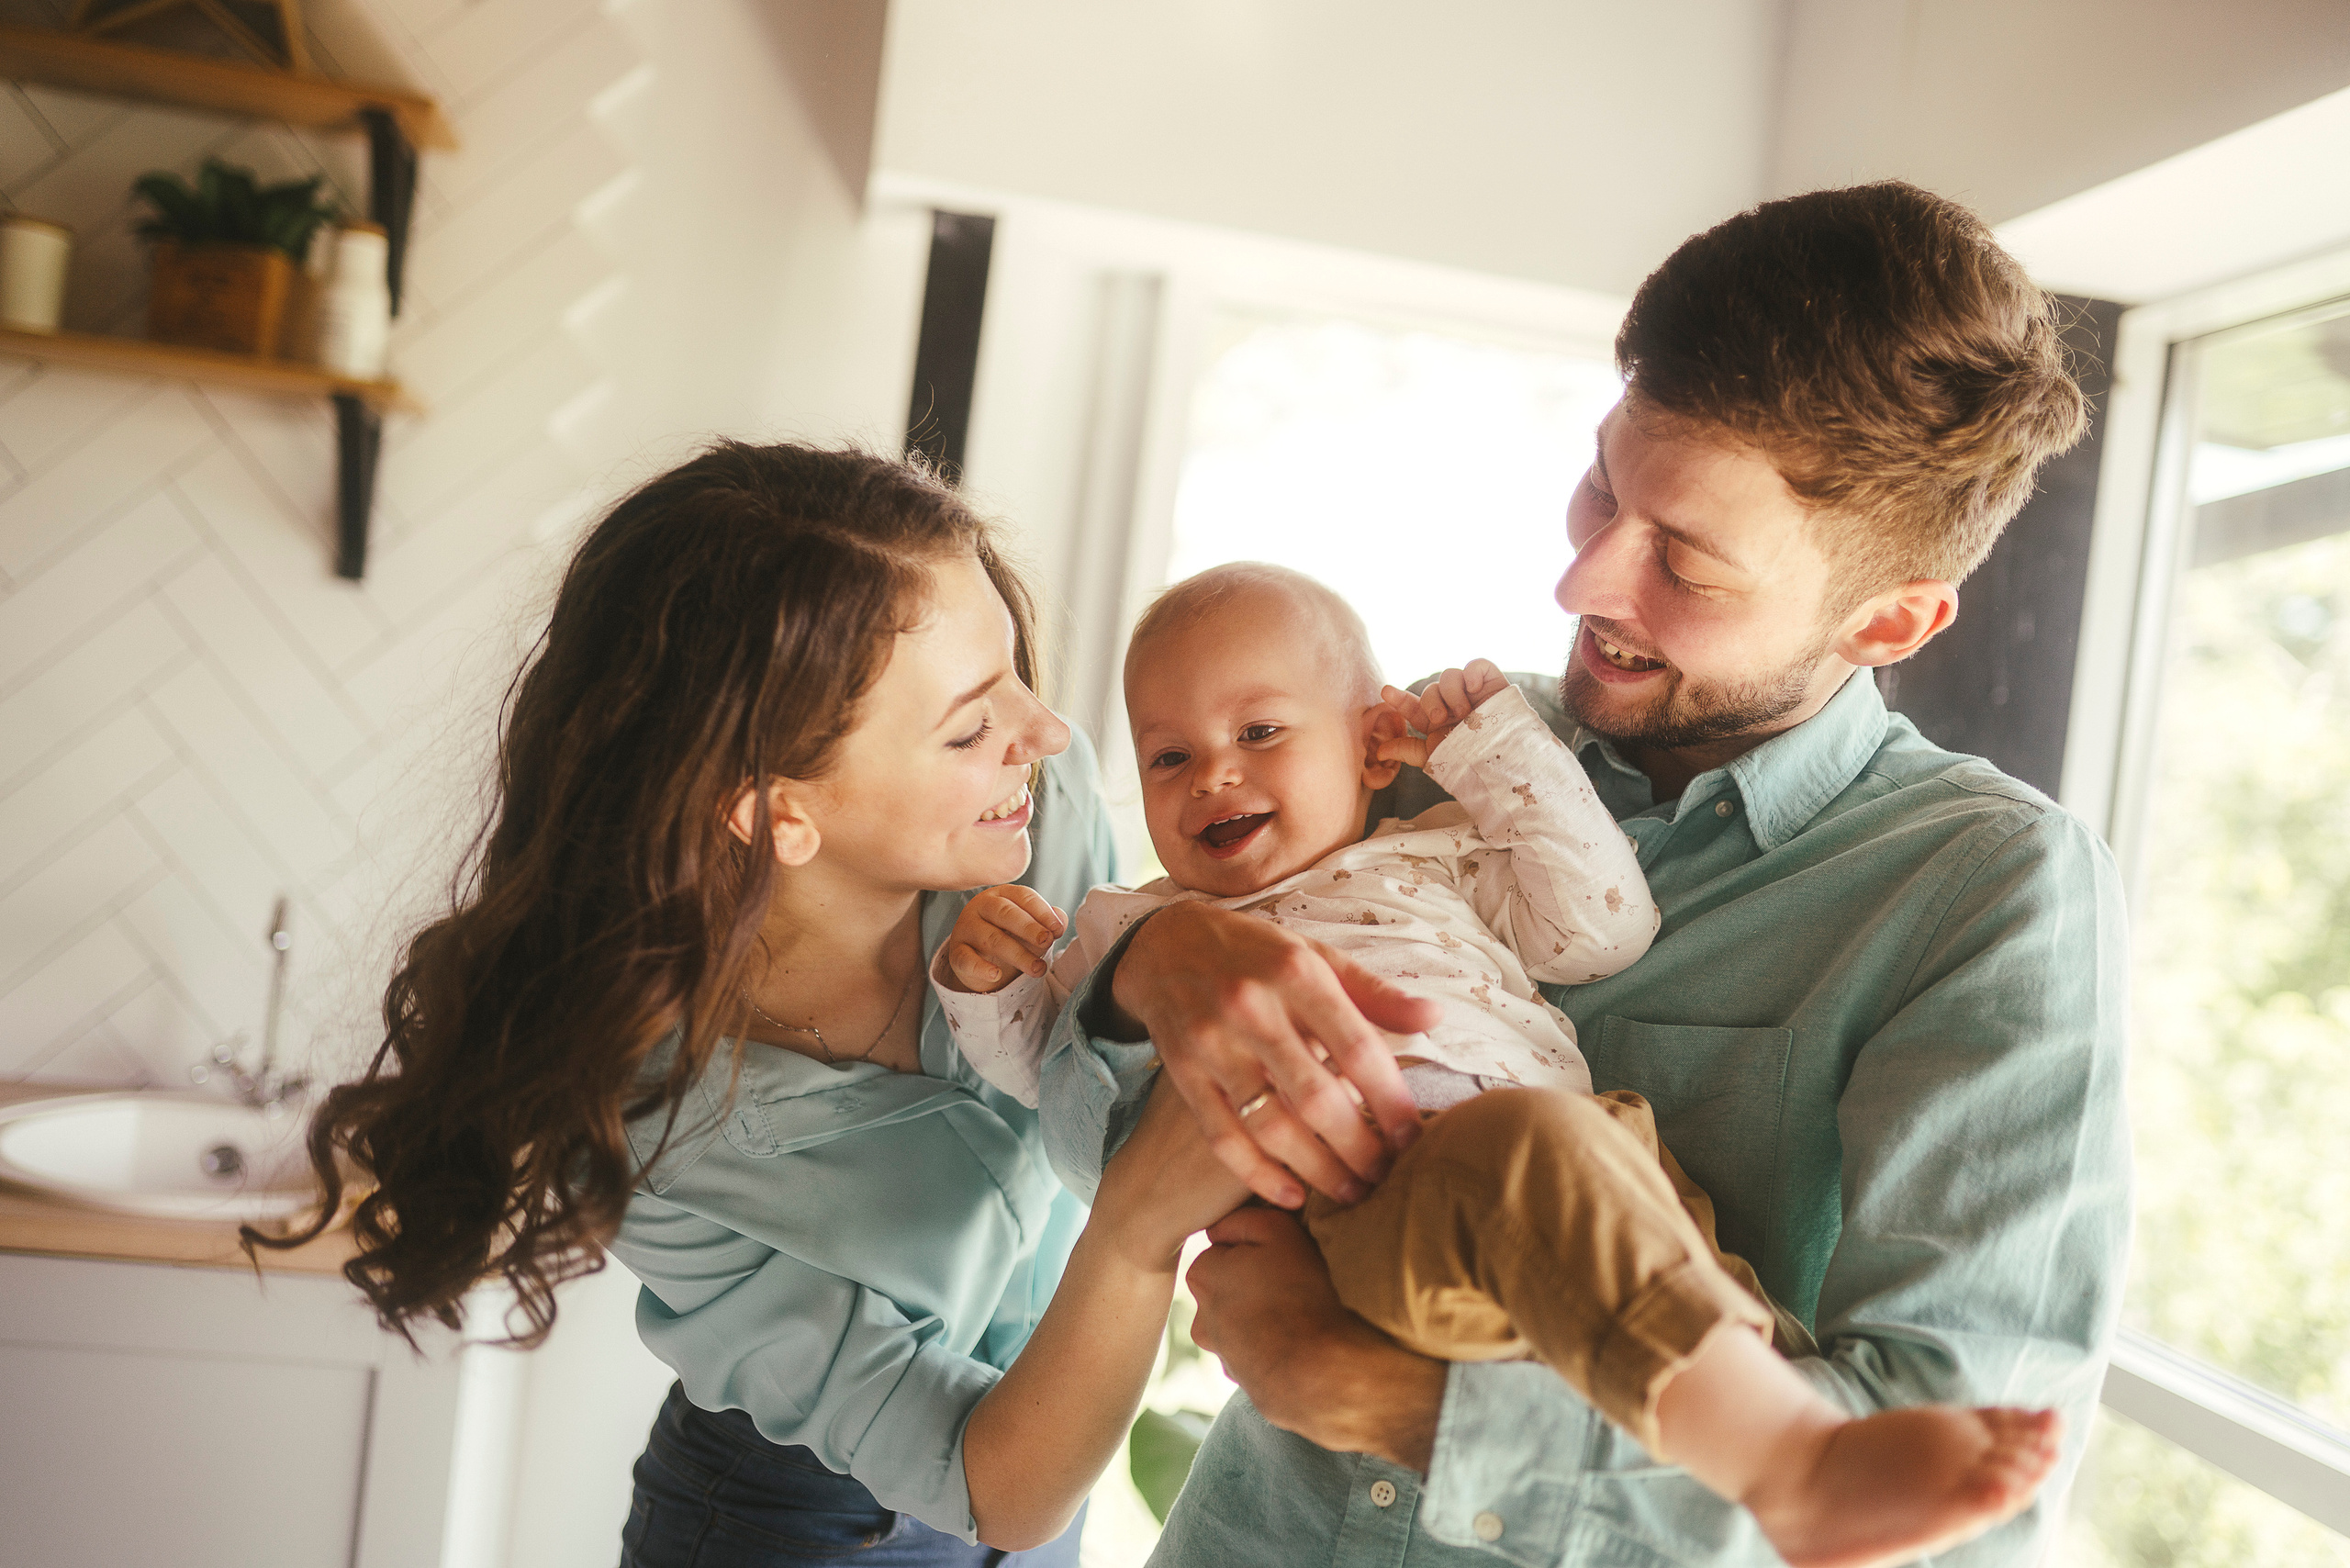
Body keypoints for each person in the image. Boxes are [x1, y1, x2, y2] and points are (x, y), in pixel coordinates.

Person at [1037, 183, 2132, 1566]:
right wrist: (1147, 968)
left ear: (1890, 618)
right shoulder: (1433, 764)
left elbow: (1968, 1514)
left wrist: (1400, 1404)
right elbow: (1088, 1155)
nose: (1582, 584)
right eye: (1605, 488)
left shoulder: (1991, 897)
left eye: (1685, 557)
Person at [941, 563, 2065, 1567]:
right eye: (1167, 755)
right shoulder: (1134, 921)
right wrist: (988, 986)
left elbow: (1600, 928)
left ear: (1366, 738)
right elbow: (1046, 1080)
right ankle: (1791, 1467)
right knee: (1527, 1150)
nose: (1211, 778)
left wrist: (1489, 751)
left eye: (1262, 734)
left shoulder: (1440, 849)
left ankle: (1788, 1452)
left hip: (1591, 1179)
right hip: (1382, 1209)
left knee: (1704, 1302)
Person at [263, 443, 1246, 1566]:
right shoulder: (655, 1118)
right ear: (777, 811)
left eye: (1015, 675)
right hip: (797, 1523)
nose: (1048, 734)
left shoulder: (1033, 820)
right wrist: (1135, 1225)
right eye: (969, 729)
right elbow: (1000, 1486)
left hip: (1056, 1479)